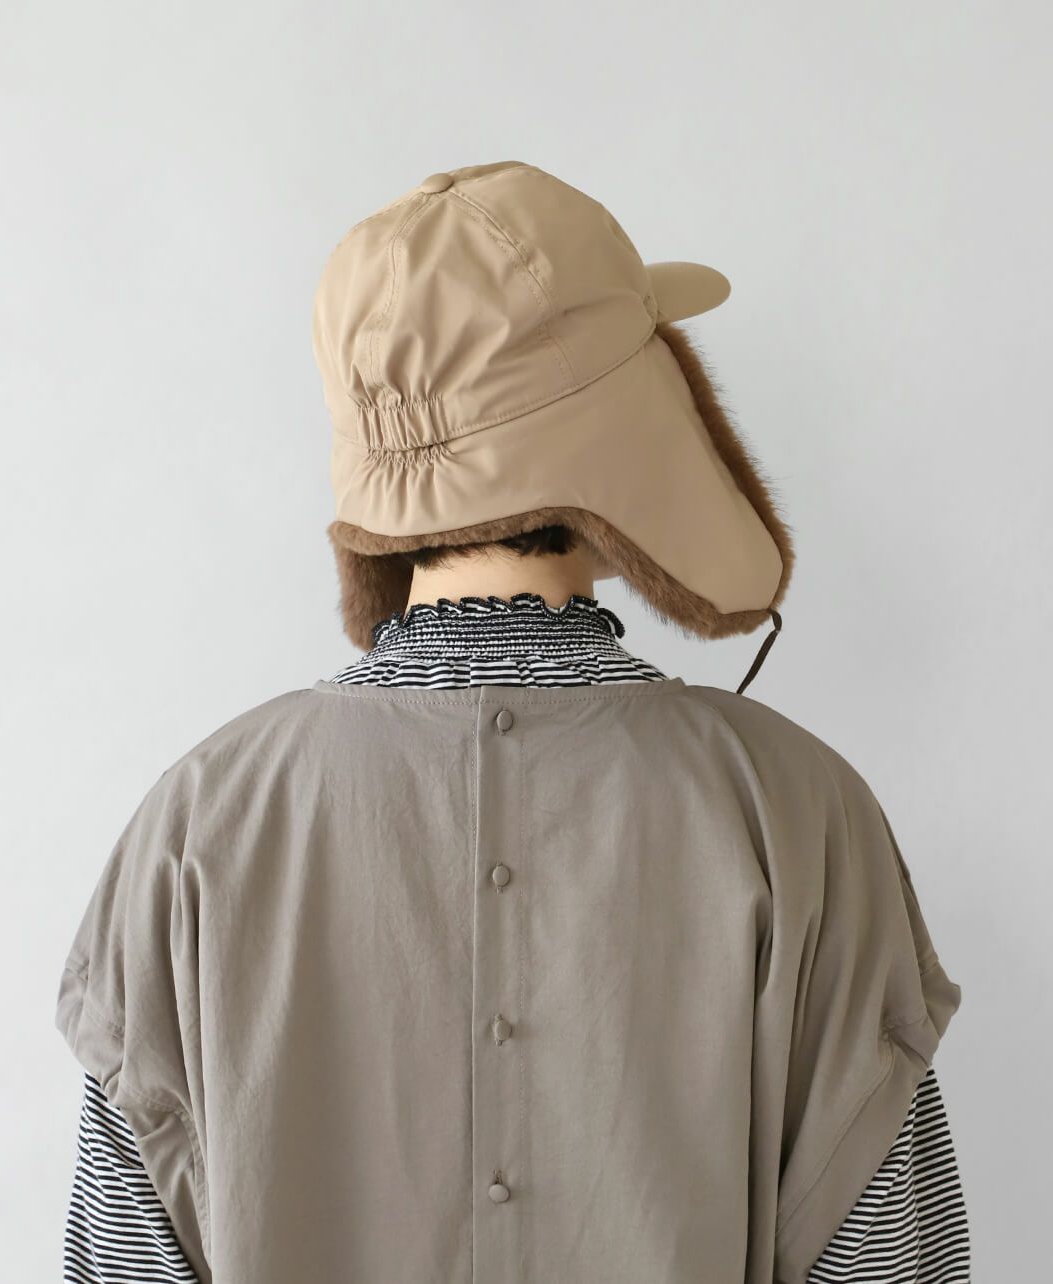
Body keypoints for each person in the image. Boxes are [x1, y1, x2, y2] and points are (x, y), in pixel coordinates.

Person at [57, 161, 968, 1284]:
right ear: (629, 427)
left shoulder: (197, 824)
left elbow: (126, 1255)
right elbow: (883, 1257)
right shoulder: (796, 811)